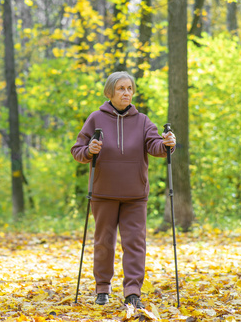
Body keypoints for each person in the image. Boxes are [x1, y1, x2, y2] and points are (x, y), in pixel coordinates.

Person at [71, 71, 176, 308]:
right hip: (103, 193)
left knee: (135, 243)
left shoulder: (143, 121)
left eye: (129, 88)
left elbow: (155, 146)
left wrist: (168, 143)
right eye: (121, 89)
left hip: (135, 195)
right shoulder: (96, 118)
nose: (126, 93)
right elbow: (77, 150)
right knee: (104, 242)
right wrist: (90, 150)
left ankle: (132, 292)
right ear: (110, 92)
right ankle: (102, 289)